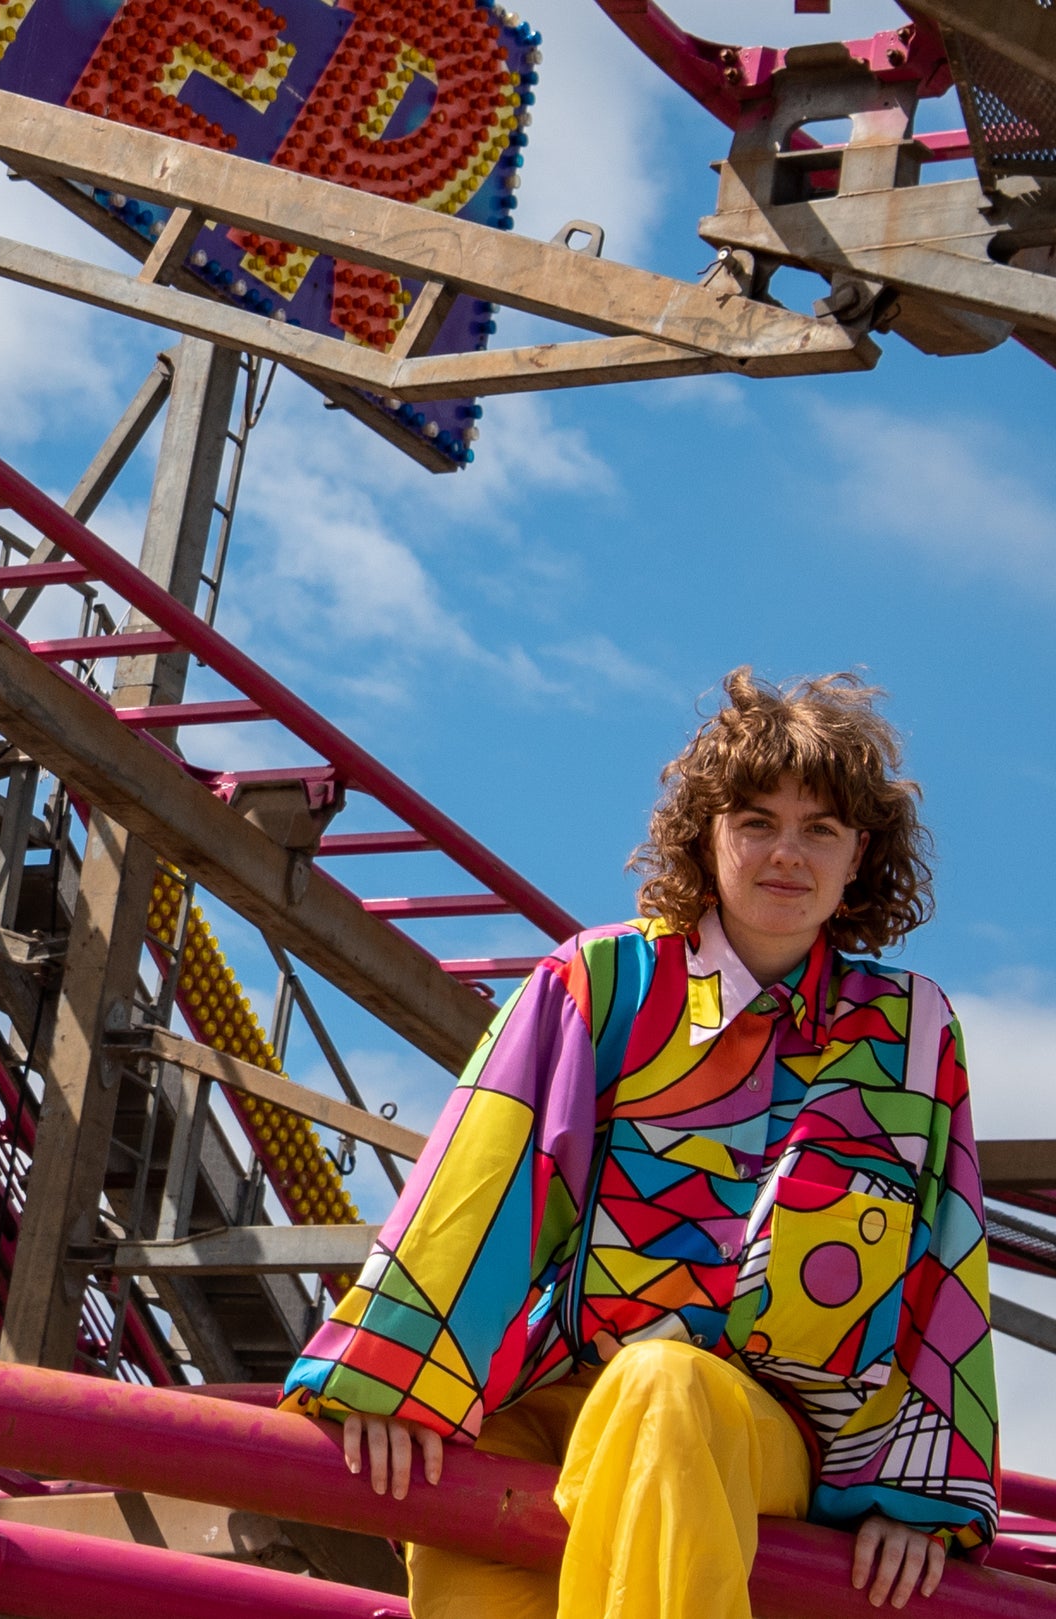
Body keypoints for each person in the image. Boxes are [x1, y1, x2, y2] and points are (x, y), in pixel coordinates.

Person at [282, 668, 999, 1618]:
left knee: (665, 1387)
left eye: (819, 828)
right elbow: (483, 1176)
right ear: (707, 833)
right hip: (551, 1389)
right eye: (756, 821)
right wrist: (388, 1375)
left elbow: (943, 1251)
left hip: (750, 1421)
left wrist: (918, 1495)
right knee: (458, 1495)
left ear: (858, 853)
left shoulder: (907, 1032)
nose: (787, 853)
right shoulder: (604, 980)